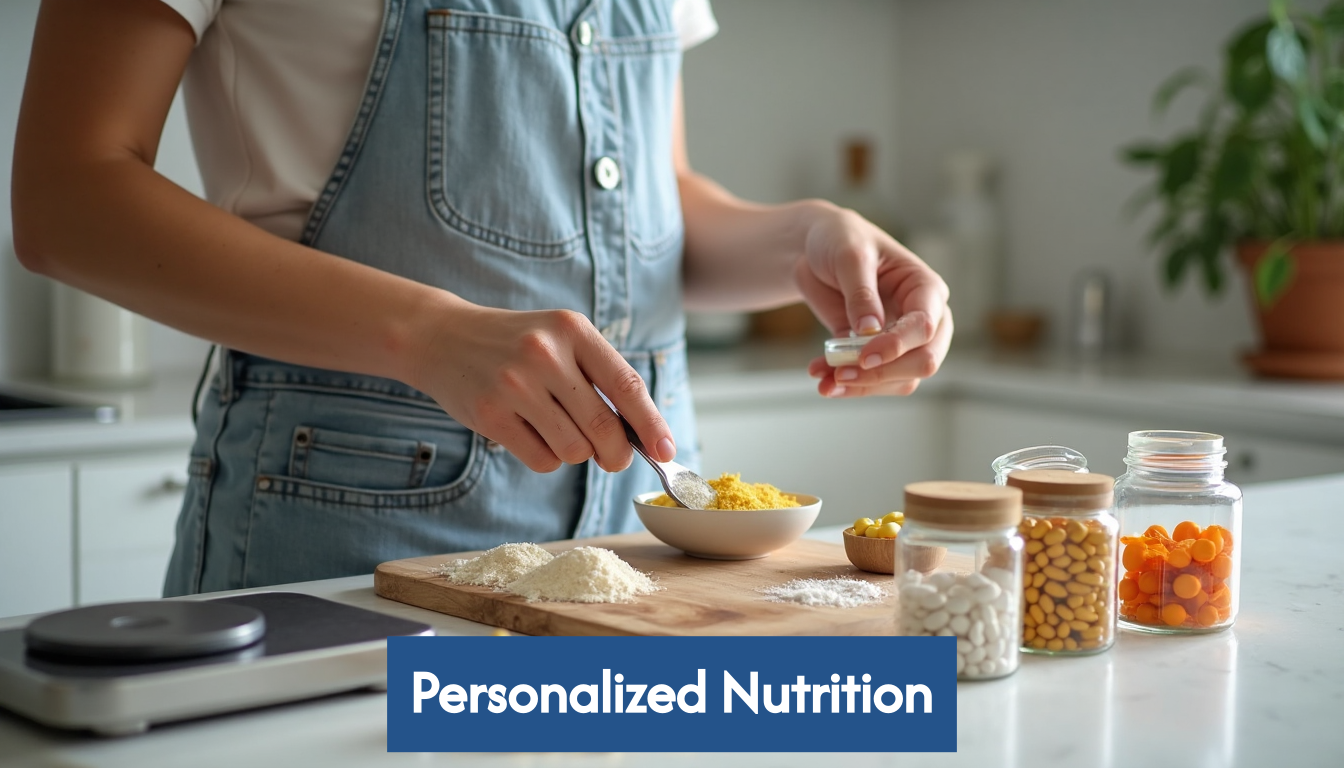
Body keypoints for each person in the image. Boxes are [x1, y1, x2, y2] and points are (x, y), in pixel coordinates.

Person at [12, 0, 952, 595]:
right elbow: (66, 196)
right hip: (355, 536)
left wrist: (811, 237)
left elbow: (659, 213)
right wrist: (431, 334)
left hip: (642, 543)